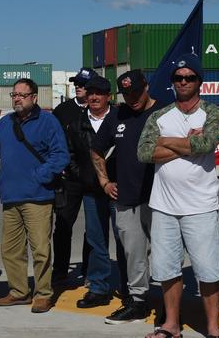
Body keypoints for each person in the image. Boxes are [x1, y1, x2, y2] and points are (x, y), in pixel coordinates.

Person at [137, 53, 219, 338]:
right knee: (166, 269)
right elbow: (144, 152)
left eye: (189, 77)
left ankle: (213, 329)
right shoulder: (160, 116)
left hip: (200, 207)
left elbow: (207, 142)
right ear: (172, 82)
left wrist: (165, 142)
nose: (183, 82)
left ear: (199, 81)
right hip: (163, 206)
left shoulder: (212, 113)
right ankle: (171, 325)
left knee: (208, 271)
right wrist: (187, 142)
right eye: (178, 78)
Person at [0, 78, 69, 313]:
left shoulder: (48, 121)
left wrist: (39, 175)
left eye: (21, 95)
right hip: (10, 197)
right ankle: (18, 292)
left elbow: (61, 155)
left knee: (41, 249)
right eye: (14, 94)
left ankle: (43, 293)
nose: (16, 98)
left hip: (38, 196)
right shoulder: (4, 124)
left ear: (34, 97)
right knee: (11, 250)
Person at [90, 69, 161, 324]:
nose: (132, 99)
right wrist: (104, 181)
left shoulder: (163, 113)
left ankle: (166, 303)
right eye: (127, 94)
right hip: (125, 199)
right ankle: (138, 302)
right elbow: (96, 151)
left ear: (147, 87)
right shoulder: (116, 115)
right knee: (134, 254)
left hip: (160, 200)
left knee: (165, 253)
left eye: (136, 93)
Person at [66, 76, 126, 308]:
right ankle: (99, 288)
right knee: (96, 240)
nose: (93, 97)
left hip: (120, 190)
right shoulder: (76, 123)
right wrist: (83, 176)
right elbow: (70, 155)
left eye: (98, 93)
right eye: (90, 93)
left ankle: (128, 287)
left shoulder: (122, 119)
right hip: (92, 191)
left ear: (108, 96)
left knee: (124, 240)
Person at [51, 68, 97, 284]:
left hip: (95, 179)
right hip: (68, 179)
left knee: (94, 228)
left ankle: (89, 270)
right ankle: (60, 271)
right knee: (62, 226)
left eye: (82, 83)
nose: (78, 86)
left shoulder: (101, 110)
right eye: (76, 83)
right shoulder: (62, 111)